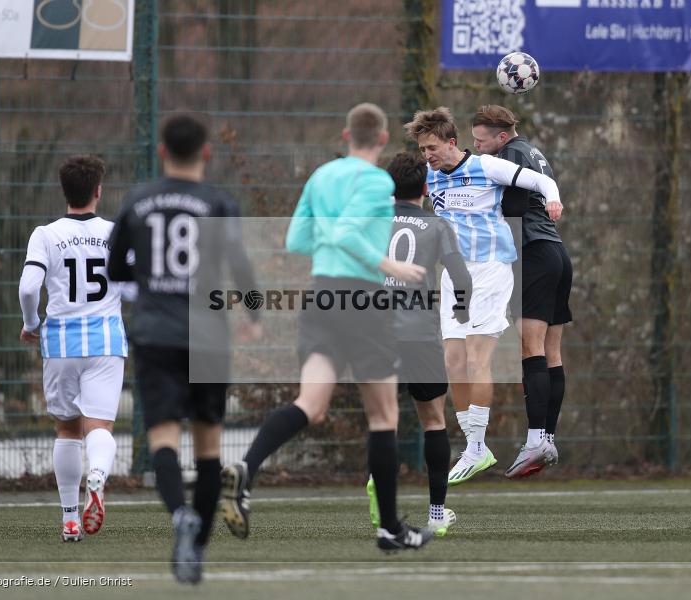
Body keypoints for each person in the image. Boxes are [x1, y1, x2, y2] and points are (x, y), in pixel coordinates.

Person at [220, 103, 434, 552]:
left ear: (345, 135)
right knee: (384, 417)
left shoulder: (321, 176)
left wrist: (334, 241)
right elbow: (347, 235)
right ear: (382, 139)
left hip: (321, 297)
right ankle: (390, 529)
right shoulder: (377, 181)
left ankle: (246, 469)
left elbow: (297, 239)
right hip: (362, 299)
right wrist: (390, 264)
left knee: (310, 405)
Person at [106, 114, 261, 584]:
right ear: (206, 153)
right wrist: (255, 313)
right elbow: (240, 266)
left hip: (156, 335)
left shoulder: (137, 200)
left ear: (161, 152)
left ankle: (180, 516)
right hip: (208, 336)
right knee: (209, 446)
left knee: (164, 438)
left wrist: (152, 280)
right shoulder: (219, 203)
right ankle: (196, 550)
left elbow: (115, 268)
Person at [403, 107, 562, 486]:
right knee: (453, 360)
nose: (427, 155)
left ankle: (476, 446)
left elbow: (540, 181)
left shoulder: (486, 167)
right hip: (454, 274)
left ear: (451, 142)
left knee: (477, 356)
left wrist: (553, 199)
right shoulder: (429, 176)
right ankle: (475, 448)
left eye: (432, 148)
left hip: (491, 268)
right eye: (422, 149)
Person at [365, 151, 474, 537]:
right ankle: (437, 513)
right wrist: (461, 313)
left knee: (383, 420)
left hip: (378, 333)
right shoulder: (438, 225)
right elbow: (461, 278)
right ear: (426, 187)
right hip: (420, 334)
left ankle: (378, 482)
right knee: (433, 421)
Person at [18, 155, 126, 543]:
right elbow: (134, 285)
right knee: (99, 427)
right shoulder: (115, 233)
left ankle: (69, 519)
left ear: (65, 192)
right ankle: (97, 475)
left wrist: (32, 324)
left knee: (67, 428)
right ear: (98, 190)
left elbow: (28, 288)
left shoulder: (45, 235)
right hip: (105, 342)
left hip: (61, 343)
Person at [471, 104, 573, 478]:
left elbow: (510, 207)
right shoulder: (532, 150)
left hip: (533, 254)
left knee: (532, 349)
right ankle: (547, 438)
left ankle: (535, 440)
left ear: (501, 136)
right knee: (552, 352)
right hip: (557, 253)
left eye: (480, 141)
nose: (476, 147)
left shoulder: (510, 155)